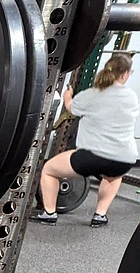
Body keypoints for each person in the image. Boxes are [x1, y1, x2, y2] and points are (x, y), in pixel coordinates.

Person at [33, 54, 139, 228]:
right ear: (125, 74)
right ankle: (100, 215)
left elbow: (71, 108)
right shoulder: (131, 98)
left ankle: (49, 213)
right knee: (113, 176)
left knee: (49, 170)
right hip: (124, 159)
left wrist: (68, 95)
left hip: (92, 156)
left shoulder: (93, 94)